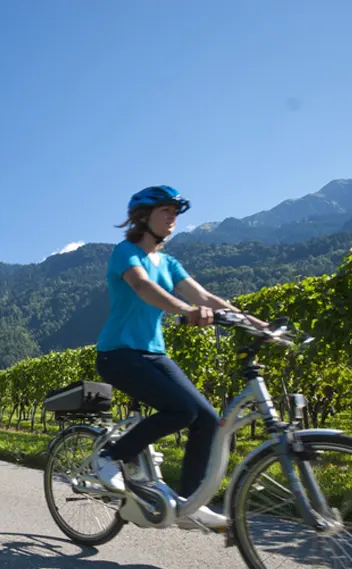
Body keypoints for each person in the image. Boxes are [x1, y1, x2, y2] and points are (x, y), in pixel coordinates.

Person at [93, 185, 265, 531]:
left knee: (207, 418)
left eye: (175, 213)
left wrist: (256, 324)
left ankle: (189, 504)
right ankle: (109, 456)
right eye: (165, 212)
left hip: (154, 353)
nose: (173, 218)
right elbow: (142, 287)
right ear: (143, 217)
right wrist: (186, 311)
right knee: (180, 410)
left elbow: (203, 295)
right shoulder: (125, 252)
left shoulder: (168, 262)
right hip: (117, 353)